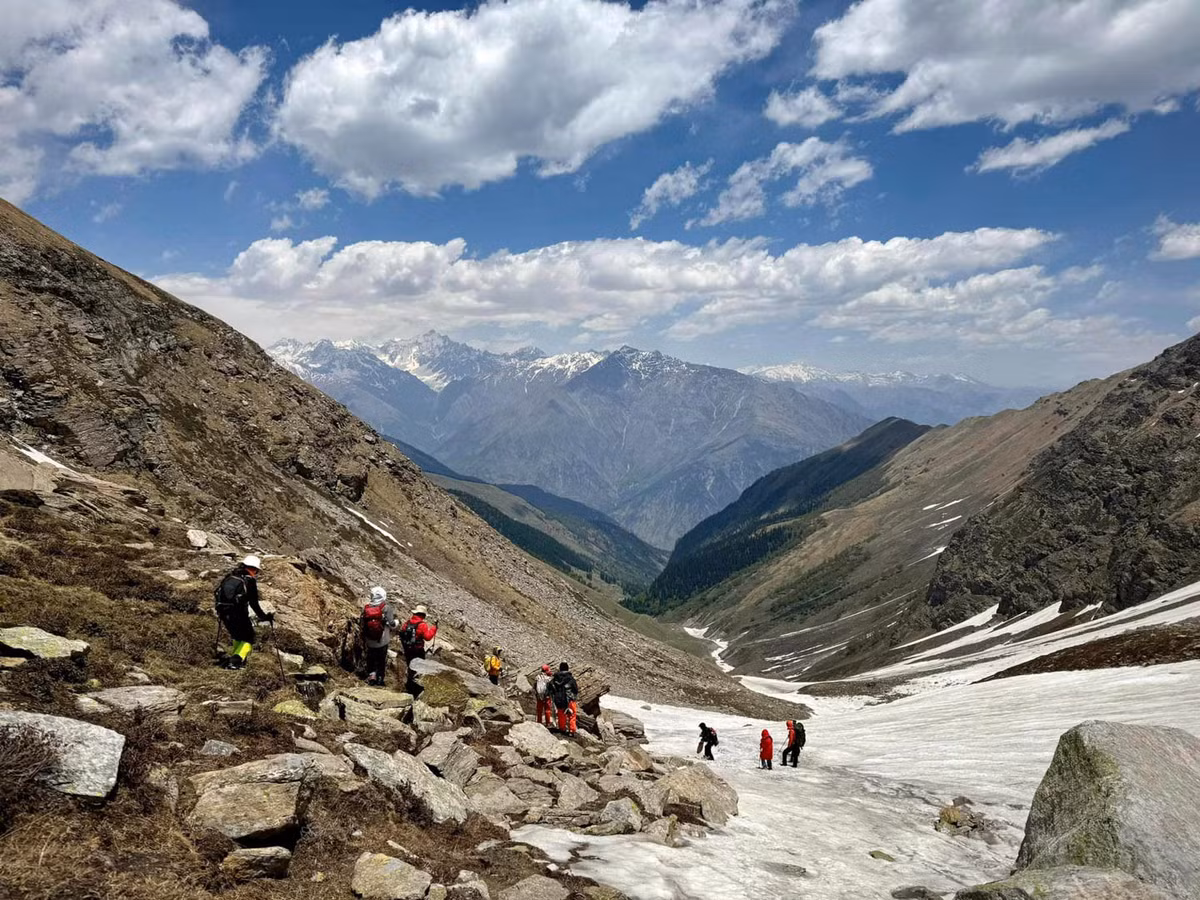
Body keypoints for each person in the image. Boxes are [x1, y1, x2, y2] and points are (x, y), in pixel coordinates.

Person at [214, 555, 272, 670]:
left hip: (223, 612)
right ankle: (235, 661)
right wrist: (264, 617)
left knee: (237, 636)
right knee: (249, 638)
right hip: (238, 613)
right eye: (256, 571)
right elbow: (254, 603)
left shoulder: (230, 577)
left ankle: (237, 660)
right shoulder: (249, 581)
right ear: (254, 569)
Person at [360, 586, 397, 686]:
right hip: (382, 640)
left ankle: (371, 675)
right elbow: (392, 624)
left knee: (371, 658)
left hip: (369, 640)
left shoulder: (367, 608)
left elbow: (362, 622)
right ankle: (380, 678)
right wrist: (396, 623)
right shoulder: (386, 608)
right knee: (381, 660)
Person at [398, 604, 437, 696]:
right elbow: (427, 637)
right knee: (418, 669)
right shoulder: (422, 624)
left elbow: (402, 632)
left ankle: (409, 686)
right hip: (418, 650)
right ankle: (416, 689)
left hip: (407, 649)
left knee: (410, 666)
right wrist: (434, 628)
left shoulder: (408, 622)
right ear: (423, 615)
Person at [550, 661, 579, 735]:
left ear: (560, 669)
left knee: (561, 714)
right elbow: (575, 689)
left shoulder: (555, 678)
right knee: (572, 715)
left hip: (559, 699)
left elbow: (551, 688)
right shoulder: (570, 678)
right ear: (567, 668)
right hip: (570, 698)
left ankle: (562, 728)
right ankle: (572, 730)